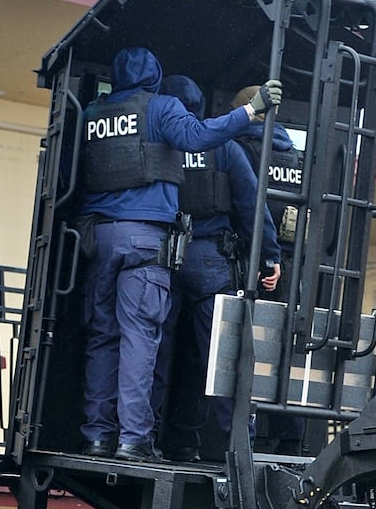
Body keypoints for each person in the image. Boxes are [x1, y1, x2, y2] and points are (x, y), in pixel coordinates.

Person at [76, 46, 280, 461]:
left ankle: (99, 436)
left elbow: (69, 174)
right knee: (193, 349)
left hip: (99, 238)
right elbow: (248, 202)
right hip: (162, 248)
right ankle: (144, 440)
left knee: (105, 337)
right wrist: (251, 110)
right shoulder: (168, 115)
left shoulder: (92, 115)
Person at [151, 75, 281, 464]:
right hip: (211, 261)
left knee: (155, 355)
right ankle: (236, 447)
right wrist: (269, 256)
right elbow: (251, 205)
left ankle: (147, 440)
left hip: (162, 257)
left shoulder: (157, 142)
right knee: (222, 360)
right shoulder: (223, 148)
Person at [231, 84, 306, 456]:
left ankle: (245, 437)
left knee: (244, 351)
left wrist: (263, 258)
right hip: (289, 266)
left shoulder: (240, 148)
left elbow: (248, 207)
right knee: (284, 351)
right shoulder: (293, 154)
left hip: (251, 261)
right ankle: (290, 436)